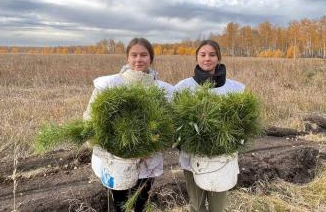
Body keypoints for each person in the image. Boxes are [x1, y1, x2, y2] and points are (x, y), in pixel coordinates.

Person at [83, 37, 174, 212]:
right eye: (134, 55)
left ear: (151, 58)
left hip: (148, 159)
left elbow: (169, 125)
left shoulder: (162, 90)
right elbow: (91, 118)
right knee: (118, 205)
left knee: (141, 202)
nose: (138, 59)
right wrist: (110, 146)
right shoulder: (109, 85)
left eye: (143, 55)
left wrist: (155, 145)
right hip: (117, 160)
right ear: (127, 58)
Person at [174, 40, 245, 212]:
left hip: (221, 160)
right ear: (196, 58)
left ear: (219, 58)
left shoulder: (236, 89)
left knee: (217, 207)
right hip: (192, 157)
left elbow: (243, 124)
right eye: (203, 54)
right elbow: (175, 123)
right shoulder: (183, 88)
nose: (207, 59)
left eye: (212, 55)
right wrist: (186, 141)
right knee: (196, 206)